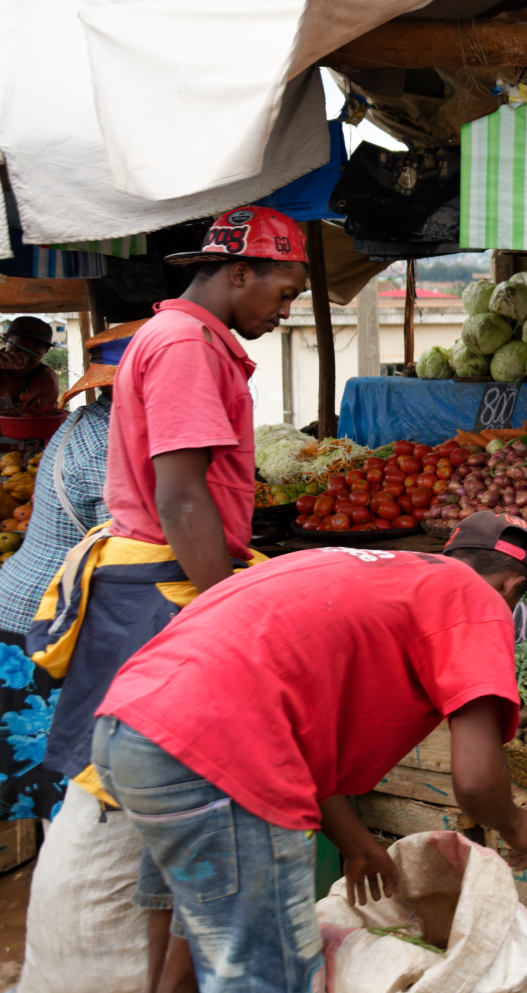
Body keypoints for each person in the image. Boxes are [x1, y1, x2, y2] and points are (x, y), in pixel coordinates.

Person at [29, 205, 307, 993]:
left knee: (156, 800)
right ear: (239, 272)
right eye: (281, 293)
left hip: (158, 578)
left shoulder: (180, 337)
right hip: (163, 587)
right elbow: (182, 495)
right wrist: (227, 614)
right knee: (142, 795)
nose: (282, 311)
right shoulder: (185, 344)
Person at [92, 512, 527, 993]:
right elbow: (475, 784)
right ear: (513, 586)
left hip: (131, 732)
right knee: (267, 977)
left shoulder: (358, 568)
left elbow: (292, 723)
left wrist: (355, 844)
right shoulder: (476, 598)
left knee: (187, 951)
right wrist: (517, 826)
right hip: (221, 758)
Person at [0, 321, 144, 823]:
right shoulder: (114, 439)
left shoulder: (90, 420)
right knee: (65, 795)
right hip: (45, 622)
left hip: (27, 606)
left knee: (55, 793)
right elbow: (138, 546)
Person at [0, 317, 61, 414]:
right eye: (16, 348)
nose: (23, 357)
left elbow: (34, 421)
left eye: (33, 353)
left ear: (46, 351)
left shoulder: (46, 380)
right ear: (5, 340)